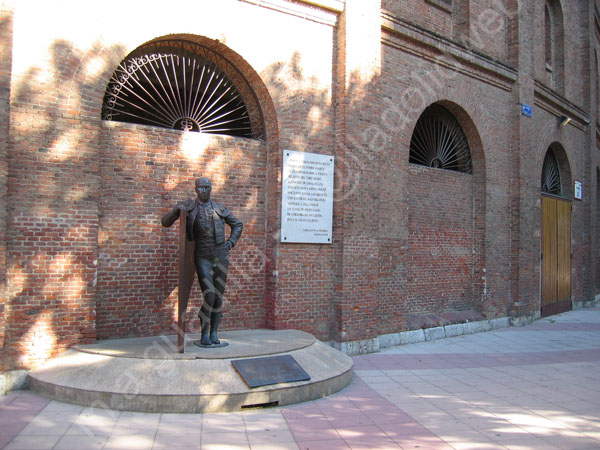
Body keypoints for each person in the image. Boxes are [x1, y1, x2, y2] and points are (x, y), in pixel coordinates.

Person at [161, 177, 243, 346]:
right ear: (196, 189)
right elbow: (165, 222)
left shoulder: (219, 208)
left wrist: (231, 241)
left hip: (220, 253)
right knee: (210, 294)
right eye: (202, 188)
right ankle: (204, 332)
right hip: (202, 254)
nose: (205, 191)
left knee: (218, 297)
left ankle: (214, 333)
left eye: (208, 188)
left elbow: (238, 224)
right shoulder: (190, 208)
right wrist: (176, 211)